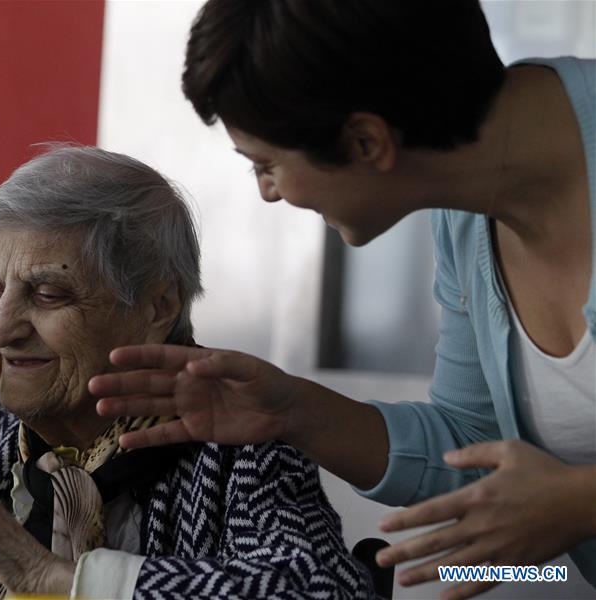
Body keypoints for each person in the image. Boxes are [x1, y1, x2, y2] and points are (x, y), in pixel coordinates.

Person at [89, 2, 596, 598]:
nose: (269, 194)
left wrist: (578, 504)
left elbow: (557, 507)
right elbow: (477, 449)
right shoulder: (467, 219)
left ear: (364, 140)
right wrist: (294, 412)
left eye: (267, 165)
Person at [0, 145, 374, 599]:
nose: (0, 329)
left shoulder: (239, 441)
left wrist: (58, 578)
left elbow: (321, 590)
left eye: (48, 294)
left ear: (156, 308)